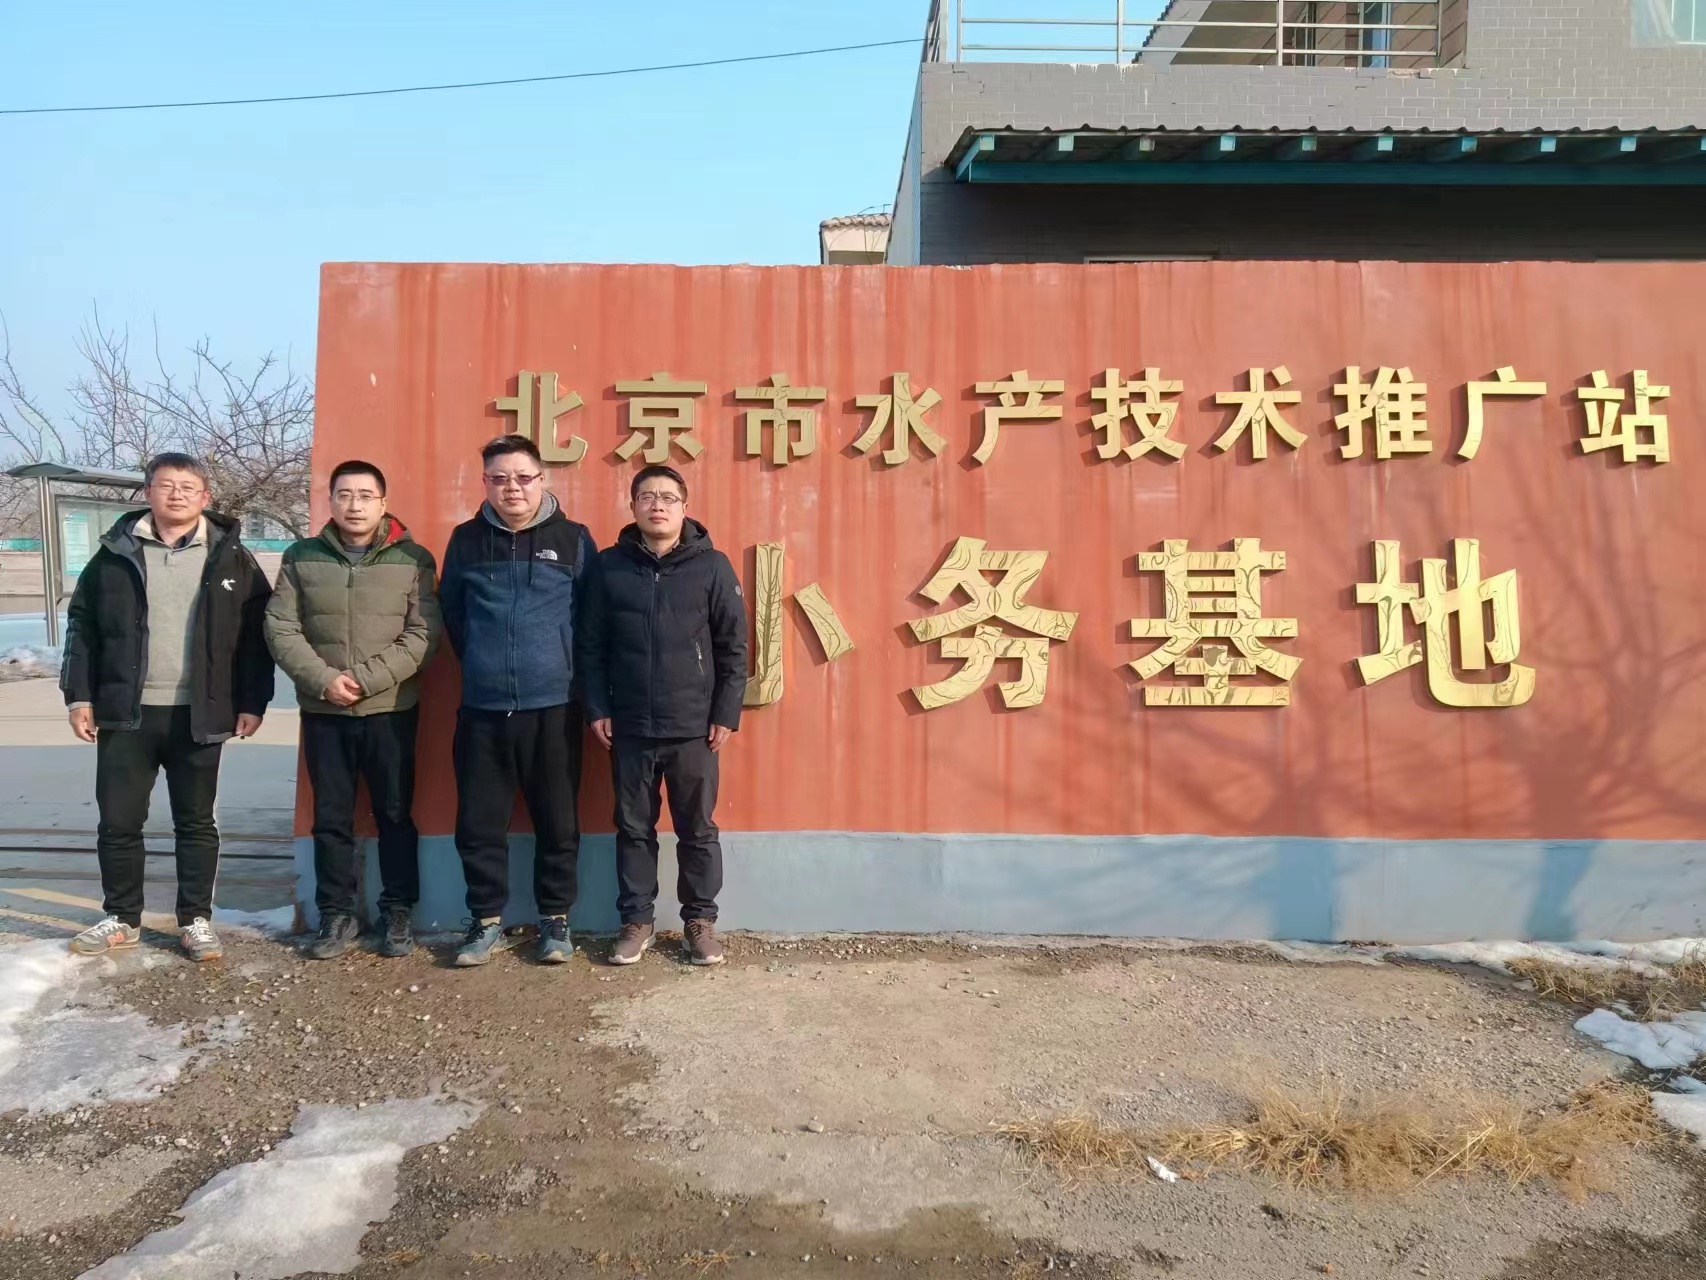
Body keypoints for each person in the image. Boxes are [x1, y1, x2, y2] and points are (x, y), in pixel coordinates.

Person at [61, 452, 273, 961]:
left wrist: (253, 701)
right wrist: (79, 695)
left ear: (205, 497)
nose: (176, 495)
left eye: (187, 487)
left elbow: (256, 638)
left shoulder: (232, 559)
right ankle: (121, 917)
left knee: (196, 822)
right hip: (126, 711)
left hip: (199, 714)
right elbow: (82, 628)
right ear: (148, 492)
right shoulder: (114, 555)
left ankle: (196, 919)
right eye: (165, 485)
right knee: (118, 822)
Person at [264, 460, 442, 961]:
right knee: (331, 817)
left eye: (365, 496)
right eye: (344, 495)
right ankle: (335, 912)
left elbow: (424, 632)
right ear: (331, 501)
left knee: (394, 813)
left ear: (383, 503)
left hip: (390, 708)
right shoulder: (301, 556)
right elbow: (279, 626)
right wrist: (323, 679)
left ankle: (398, 910)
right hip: (324, 710)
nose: (355, 505)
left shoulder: (412, 558)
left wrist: (366, 679)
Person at [439, 434, 598, 967]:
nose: (513, 488)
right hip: (483, 709)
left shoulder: (573, 539)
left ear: (542, 480)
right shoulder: (465, 541)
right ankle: (484, 920)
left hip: (554, 706)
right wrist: (484, 664)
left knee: (558, 821)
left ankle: (555, 920)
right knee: (479, 823)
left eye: (523, 478)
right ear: (485, 482)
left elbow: (590, 620)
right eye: (500, 478)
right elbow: (454, 614)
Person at [579, 464, 747, 967]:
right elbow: (590, 646)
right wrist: (597, 707)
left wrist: (725, 713)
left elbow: (734, 647)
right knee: (634, 828)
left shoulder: (712, 566)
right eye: (647, 496)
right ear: (632, 506)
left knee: (698, 829)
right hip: (629, 725)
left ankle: (700, 921)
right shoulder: (608, 568)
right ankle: (637, 921)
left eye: (668, 497)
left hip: (694, 727)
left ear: (684, 507)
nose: (658, 505)